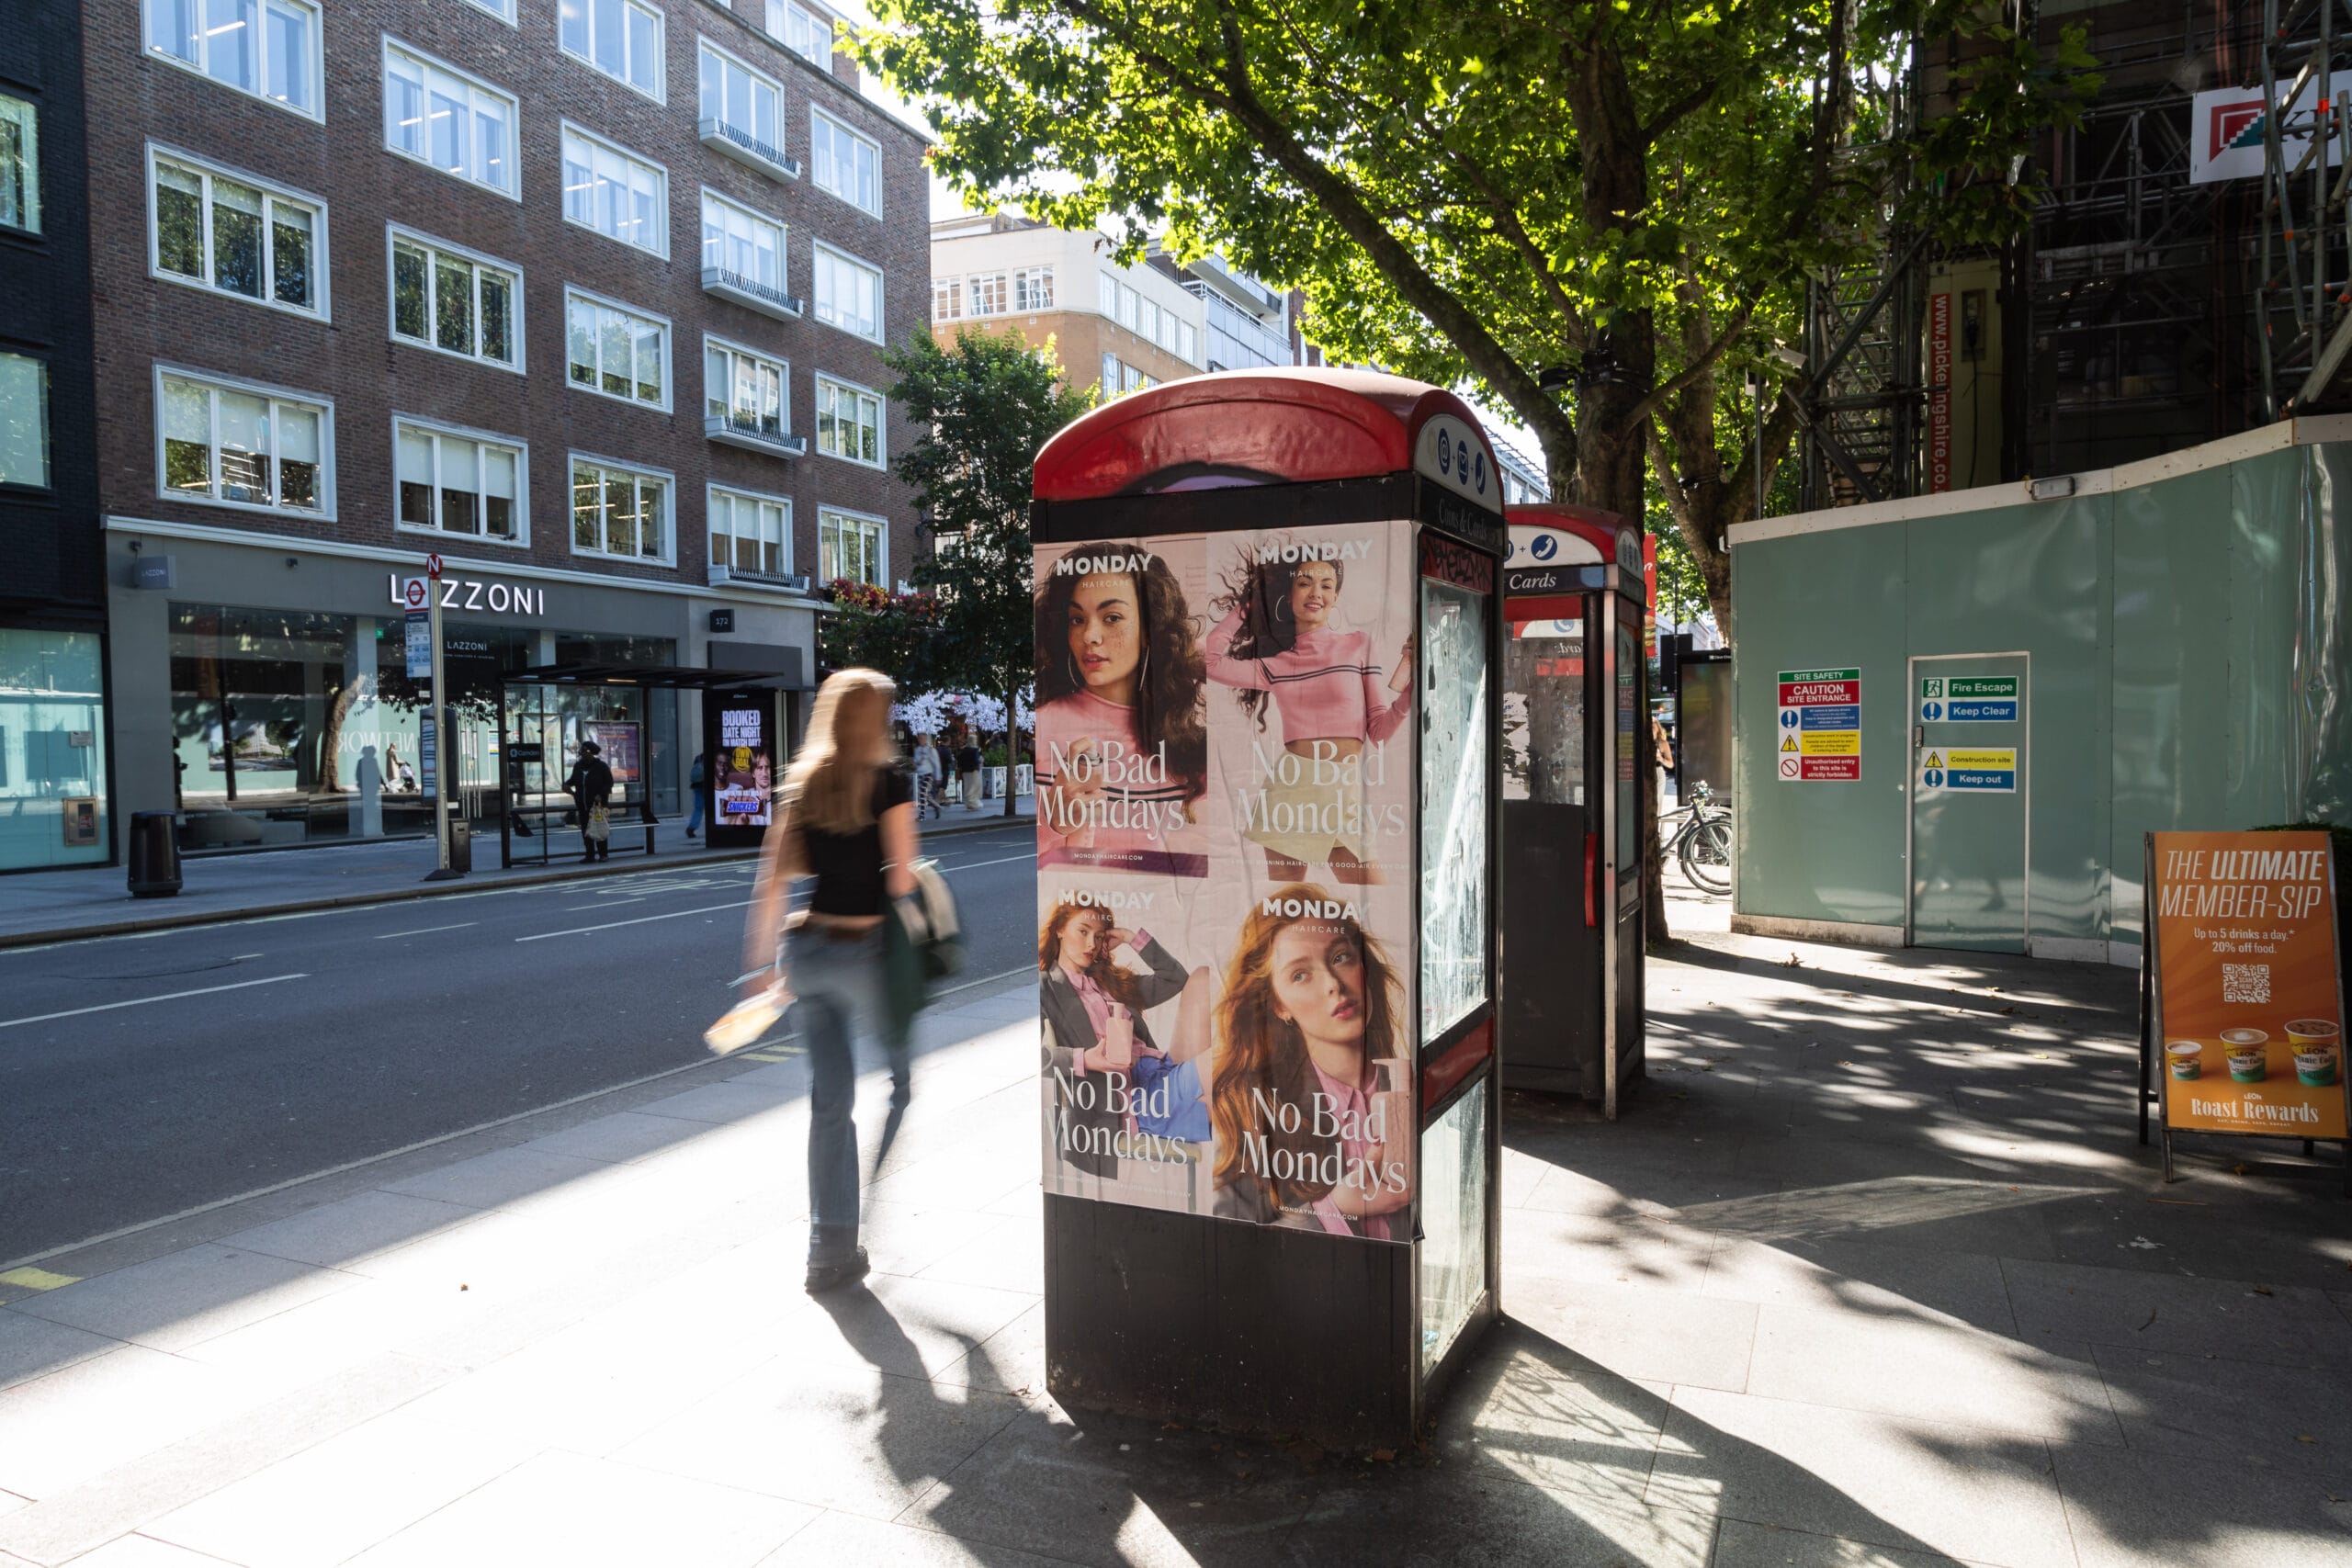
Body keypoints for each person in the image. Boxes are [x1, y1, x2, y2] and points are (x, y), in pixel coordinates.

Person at [741, 668, 921, 1292]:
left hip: (810, 951)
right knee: (898, 1051)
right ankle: (901, 1072)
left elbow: (772, 884)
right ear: (876, 718)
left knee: (829, 1100)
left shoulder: (803, 783)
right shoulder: (890, 779)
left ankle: (828, 1248)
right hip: (865, 948)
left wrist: (761, 969)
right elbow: (900, 880)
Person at [1206, 539, 1414, 883]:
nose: (1315, 592)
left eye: (1326, 585)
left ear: (1335, 597)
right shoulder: (1277, 665)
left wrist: (1411, 690)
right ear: (1289, 596)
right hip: (1292, 791)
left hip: (1343, 792)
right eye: (1304, 583)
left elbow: (1378, 731)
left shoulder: (1359, 646)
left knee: (1377, 903)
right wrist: (1248, 606)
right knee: (1288, 909)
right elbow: (1210, 662)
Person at [1208, 886, 1411, 1237]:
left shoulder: (1410, 1083)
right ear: (1279, 1005)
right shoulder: (1250, 1107)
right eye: (1300, 975)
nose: (1334, 985)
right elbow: (1231, 1244)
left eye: (1340, 958)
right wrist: (1333, 1209)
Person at [1031, 545, 1209, 874]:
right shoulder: (1045, 724)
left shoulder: (1188, 735)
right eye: (1077, 619)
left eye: (1112, 618)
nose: (1089, 636)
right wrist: (1054, 824)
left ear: (1150, 629)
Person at [1039, 902, 1213, 1184]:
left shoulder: (1109, 981)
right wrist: (1085, 1059)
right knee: (1234, 1079)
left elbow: (1175, 979)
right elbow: (1038, 1058)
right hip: (1133, 1097)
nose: (1090, 943)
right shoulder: (1046, 987)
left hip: (1158, 1069)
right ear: (1060, 929)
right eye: (1082, 931)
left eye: (1098, 936)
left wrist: (1132, 938)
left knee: (1202, 977)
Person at [565, 740, 615, 862]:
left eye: (586, 751)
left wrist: (601, 794)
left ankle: (603, 854)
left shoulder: (601, 766)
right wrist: (567, 785)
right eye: (582, 751)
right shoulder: (578, 766)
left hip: (597, 805)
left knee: (599, 827)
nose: (583, 753)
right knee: (586, 830)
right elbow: (573, 780)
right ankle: (590, 854)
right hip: (583, 804)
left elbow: (609, 783)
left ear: (592, 753)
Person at [911, 732, 943, 818]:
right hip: (920, 774)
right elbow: (915, 763)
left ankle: (922, 815)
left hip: (928, 774)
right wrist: (919, 761)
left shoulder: (931, 750)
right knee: (926, 795)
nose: (921, 740)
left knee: (922, 793)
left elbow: (936, 764)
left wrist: (938, 777)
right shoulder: (917, 750)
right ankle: (936, 806)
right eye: (919, 738)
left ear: (926, 739)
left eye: (922, 738)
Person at [956, 733, 984, 811]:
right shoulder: (974, 750)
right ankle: (973, 802)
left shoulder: (964, 750)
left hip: (965, 771)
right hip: (973, 770)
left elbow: (959, 760)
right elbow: (976, 760)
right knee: (975, 786)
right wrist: (980, 760)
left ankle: (969, 803)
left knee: (968, 786)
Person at [685, 750, 706, 837]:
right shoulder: (712, 757)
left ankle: (692, 827)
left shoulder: (698, 758)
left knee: (698, 808)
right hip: (706, 786)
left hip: (697, 786)